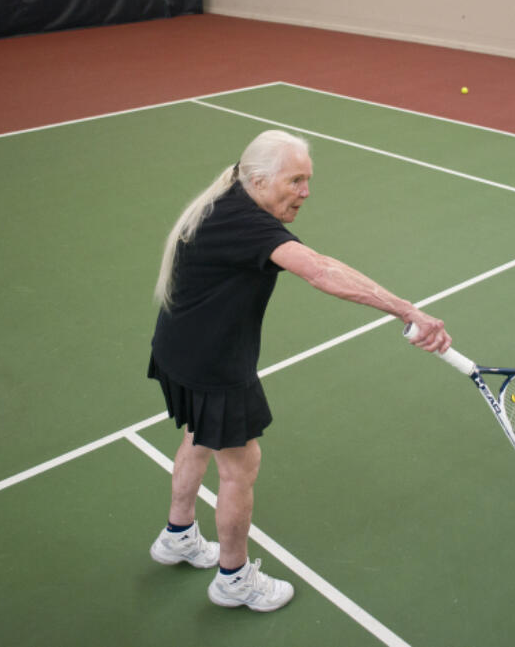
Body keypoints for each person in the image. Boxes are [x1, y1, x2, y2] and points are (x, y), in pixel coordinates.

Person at [146, 129, 451, 612]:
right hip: (213, 364)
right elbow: (321, 269)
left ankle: (178, 535)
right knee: (239, 468)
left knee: (199, 436)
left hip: (177, 349)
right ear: (262, 180)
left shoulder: (232, 188)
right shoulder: (251, 225)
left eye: (308, 180)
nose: (306, 193)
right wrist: (406, 310)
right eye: (296, 181)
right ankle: (233, 578)